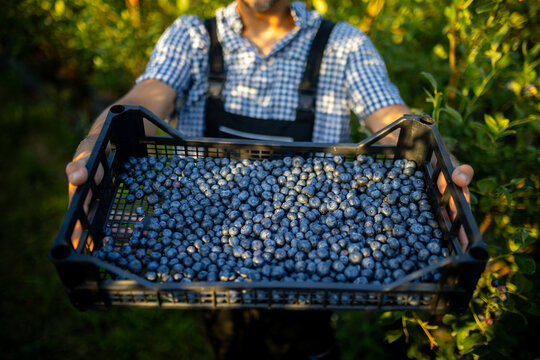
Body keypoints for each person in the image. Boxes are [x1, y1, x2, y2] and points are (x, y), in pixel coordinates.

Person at [65, 1, 474, 358]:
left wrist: (439, 160)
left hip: (312, 272)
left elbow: (388, 113)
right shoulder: (192, 37)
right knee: (229, 343)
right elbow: (147, 96)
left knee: (304, 345)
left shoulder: (342, 43)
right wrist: (94, 142)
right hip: (210, 252)